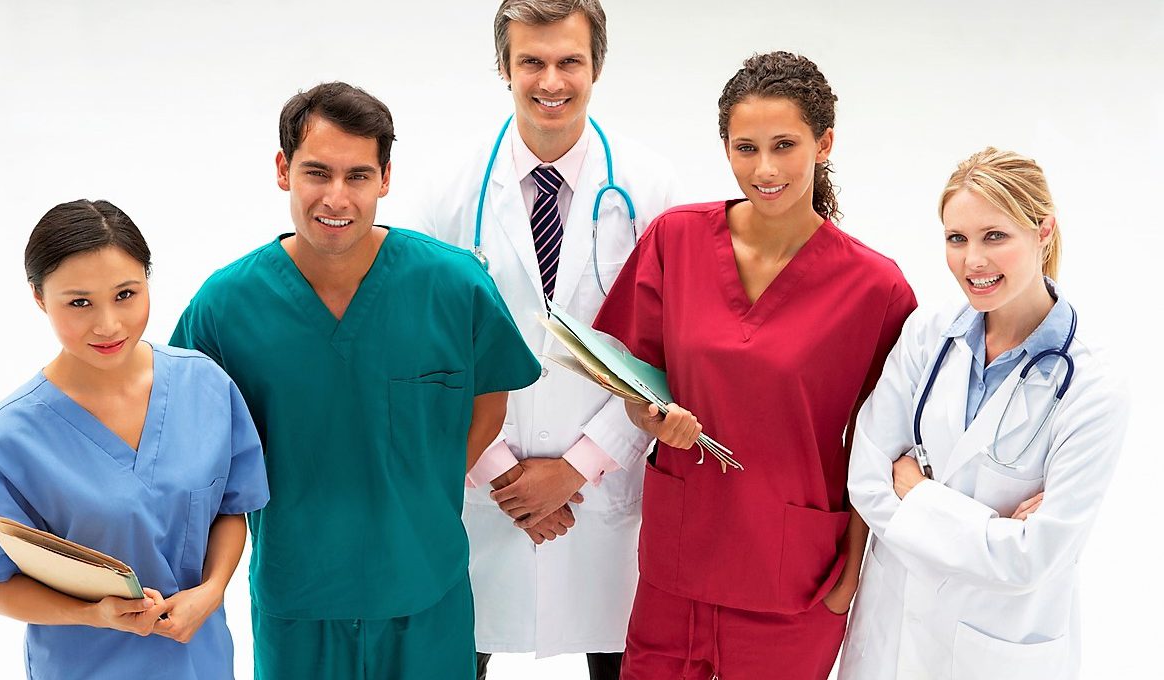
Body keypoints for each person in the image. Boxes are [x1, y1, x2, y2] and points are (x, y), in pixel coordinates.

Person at [170, 81, 540, 680]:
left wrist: (420, 483)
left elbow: (488, 406)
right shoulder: (226, 306)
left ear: (385, 178)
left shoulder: (453, 287)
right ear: (283, 170)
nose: (336, 198)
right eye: (317, 172)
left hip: (426, 596)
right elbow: (188, 451)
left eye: (358, 175)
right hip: (298, 602)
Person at [591, 51, 917, 679]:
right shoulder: (676, 240)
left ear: (824, 143)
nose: (764, 169)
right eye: (745, 148)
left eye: (784, 145)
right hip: (678, 567)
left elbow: (884, 449)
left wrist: (849, 578)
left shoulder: (877, 290)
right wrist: (652, 416)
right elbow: (631, 379)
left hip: (793, 577)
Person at [421, 1, 676, 677]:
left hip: (603, 495)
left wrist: (578, 468)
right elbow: (427, 358)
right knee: (459, 650)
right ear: (503, 65)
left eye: (570, 61)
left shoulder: (652, 192)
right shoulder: (448, 191)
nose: (551, 81)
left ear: (597, 66)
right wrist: (499, 472)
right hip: (483, 493)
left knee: (619, 651)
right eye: (531, 61)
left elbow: (667, 354)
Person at [838, 148, 1128, 680]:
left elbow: (1033, 559)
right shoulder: (928, 335)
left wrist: (918, 494)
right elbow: (867, 477)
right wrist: (989, 530)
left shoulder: (1091, 385)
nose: (972, 260)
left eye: (995, 236)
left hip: (997, 651)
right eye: (957, 239)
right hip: (889, 635)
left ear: (1043, 232)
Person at [0, 199, 269, 680]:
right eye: (79, 303)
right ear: (40, 298)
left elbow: (231, 507)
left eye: (126, 294)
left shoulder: (204, 387)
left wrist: (210, 592)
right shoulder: (10, 437)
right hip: (86, 666)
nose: (108, 324)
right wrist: (95, 614)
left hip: (200, 660)